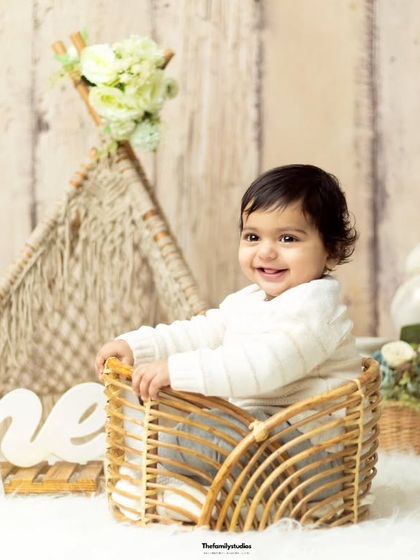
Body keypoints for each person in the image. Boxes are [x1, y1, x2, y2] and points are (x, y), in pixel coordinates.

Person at [95, 164, 361, 515]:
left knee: (192, 438)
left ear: (331, 250)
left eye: (288, 239)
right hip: (260, 432)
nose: (266, 252)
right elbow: (201, 331)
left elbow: (264, 366)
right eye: (253, 237)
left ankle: (206, 500)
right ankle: (202, 491)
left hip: (310, 454)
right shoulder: (249, 300)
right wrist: (137, 346)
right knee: (187, 431)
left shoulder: (316, 310)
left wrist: (176, 370)